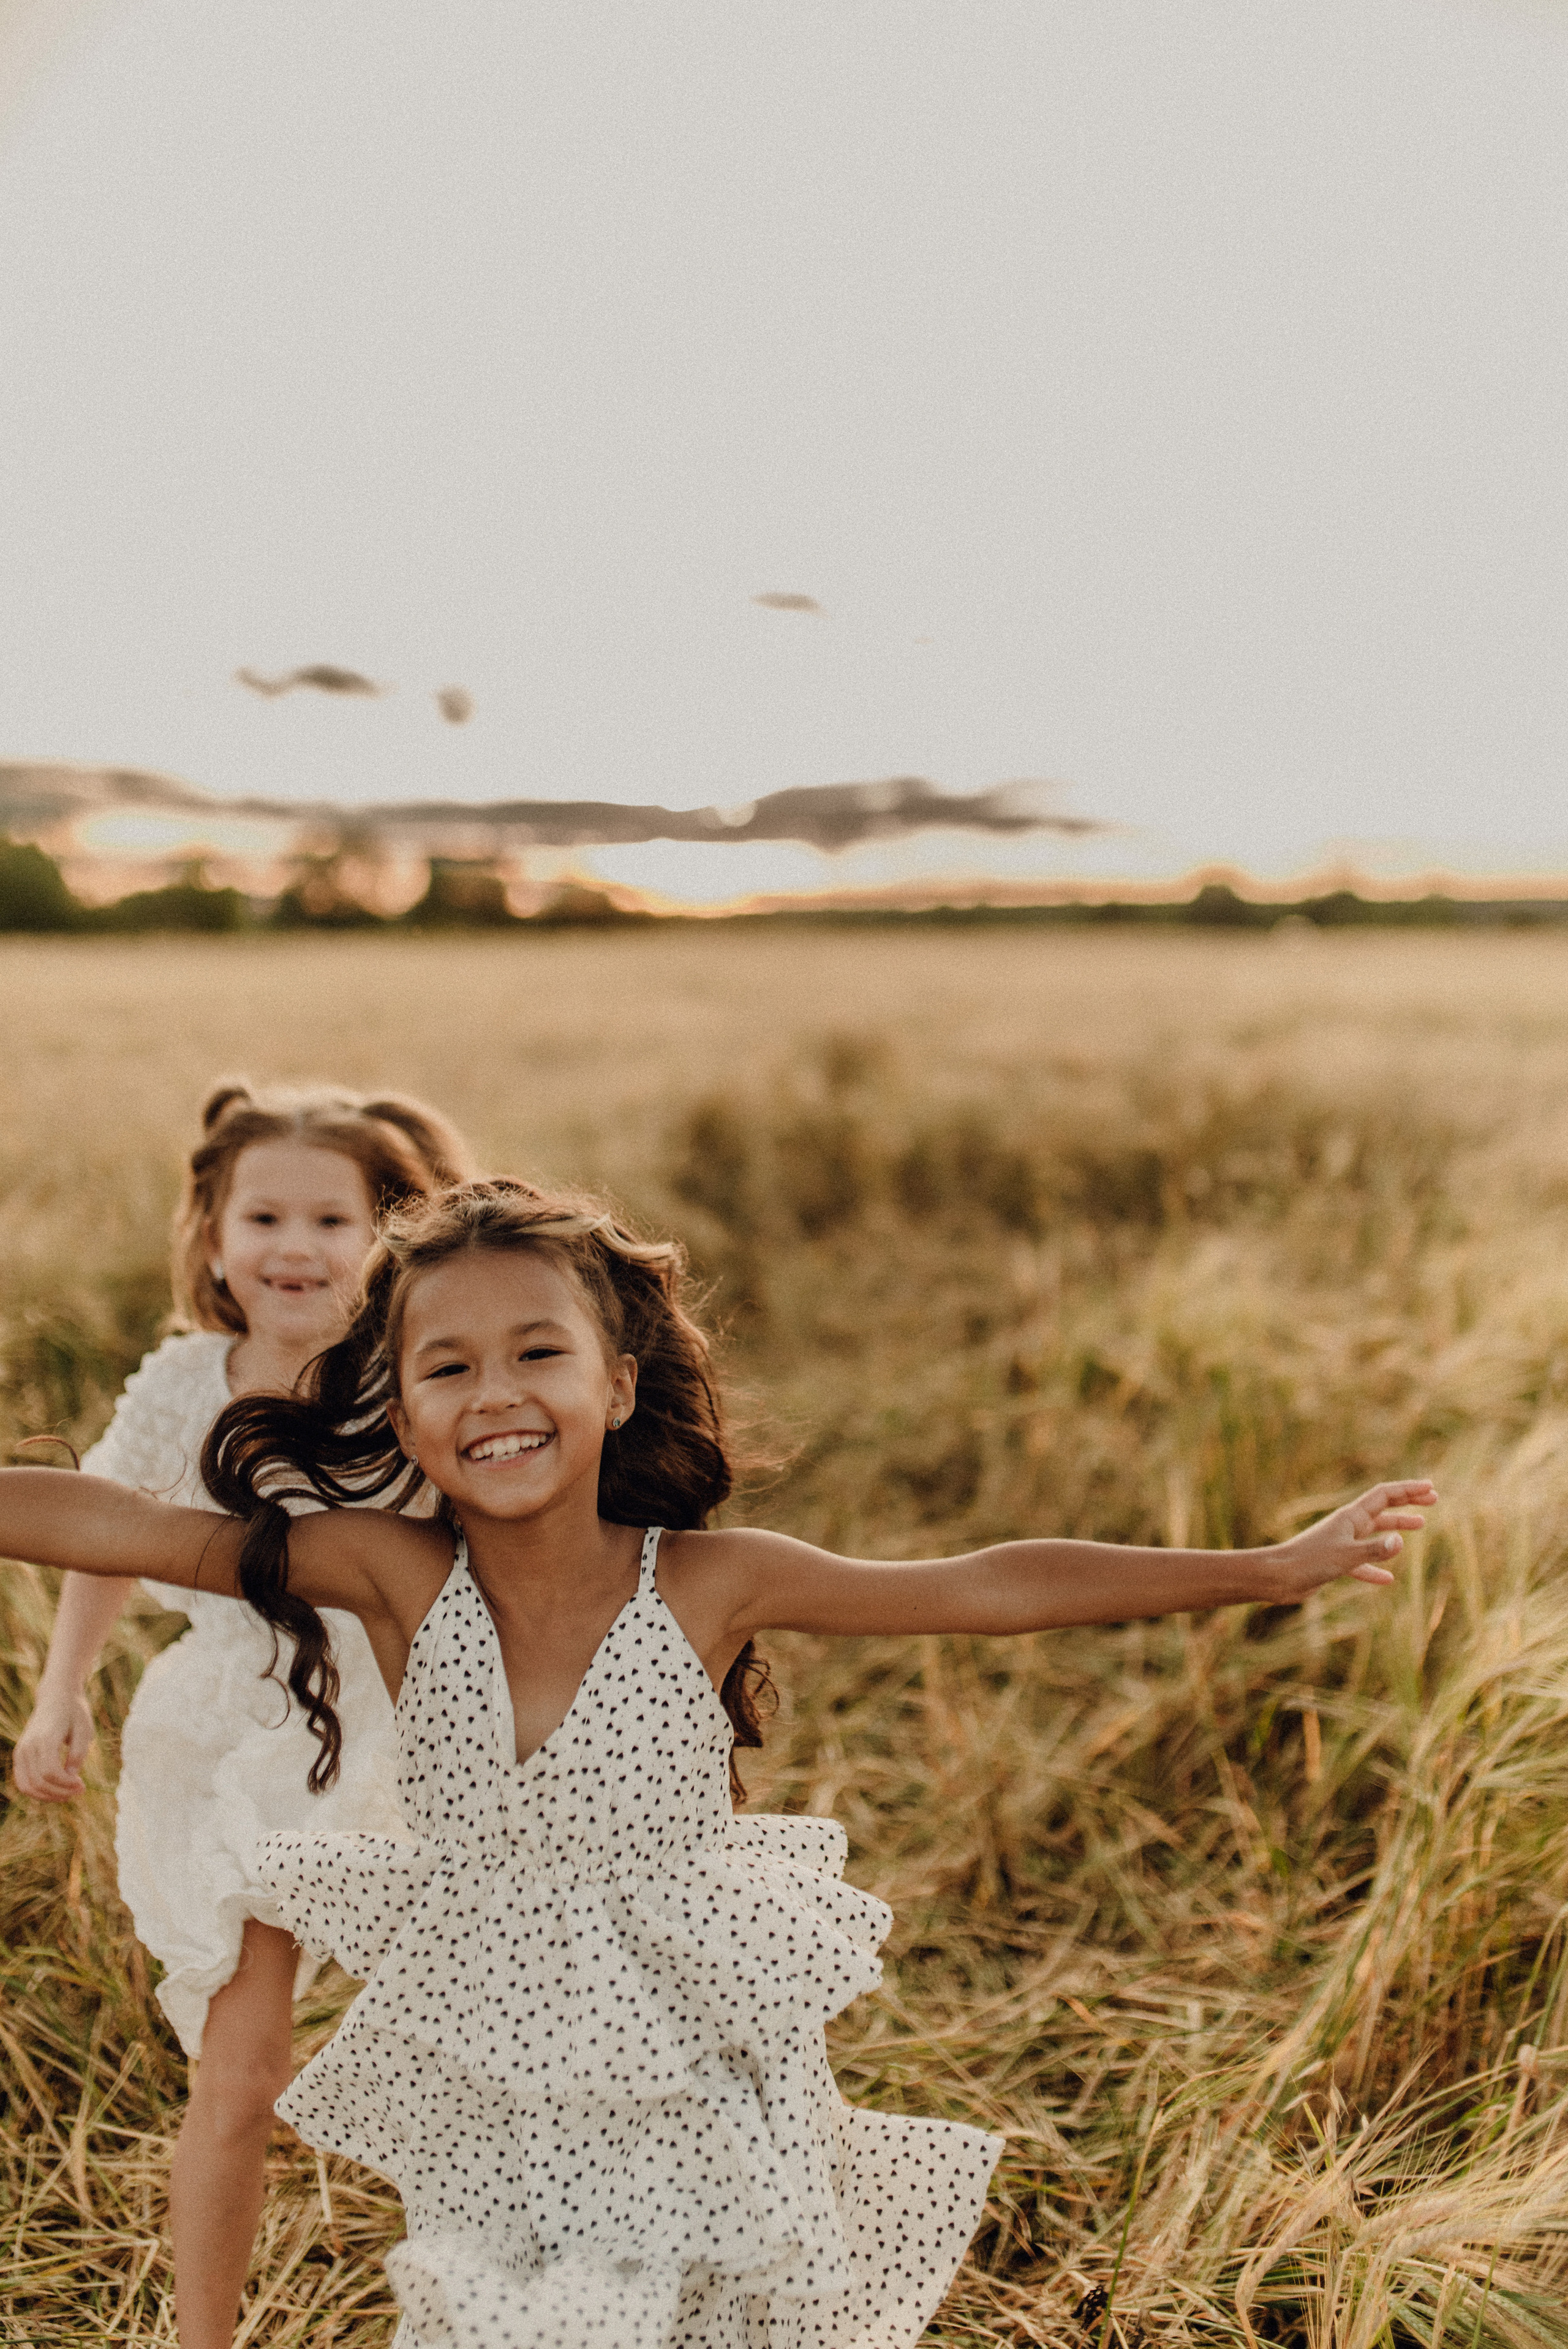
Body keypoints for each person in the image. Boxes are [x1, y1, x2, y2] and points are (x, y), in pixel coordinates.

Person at [0, 1178, 1436, 2349]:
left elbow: (984, 1584)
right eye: (447, 1367)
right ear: (401, 1414)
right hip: (504, 2091)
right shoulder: (386, 1573)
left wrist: (1266, 1567)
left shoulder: (706, 1582)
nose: (494, 1394)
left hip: (699, 2078)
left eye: (538, 1354)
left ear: (619, 1385)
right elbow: (128, 1526)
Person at [9, 1081, 473, 2349]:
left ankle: (506, 2298)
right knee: (246, 2066)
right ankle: (202, 2335)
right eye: (263, 1217)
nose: (294, 1247)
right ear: (212, 1237)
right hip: (243, 1738)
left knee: (472, 2036)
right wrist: (60, 1692)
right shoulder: (182, 1381)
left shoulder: (410, 1374)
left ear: (389, 1237)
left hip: (412, 1718)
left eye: (332, 1219)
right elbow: (102, 1534)